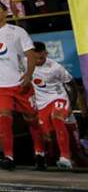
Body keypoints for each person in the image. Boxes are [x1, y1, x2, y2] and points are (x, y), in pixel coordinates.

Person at [0, 1, 45, 170]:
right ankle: (9, 156)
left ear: (5, 12)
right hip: (0, 85)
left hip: (20, 83)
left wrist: (28, 76)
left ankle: (40, 154)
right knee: (3, 119)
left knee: (32, 120)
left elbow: (30, 56)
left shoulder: (17, 32)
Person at [32, 41, 75, 170]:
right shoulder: (25, 64)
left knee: (57, 118)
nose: (39, 61)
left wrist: (71, 105)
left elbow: (72, 84)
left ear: (46, 53)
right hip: (42, 104)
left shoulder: (55, 67)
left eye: (41, 57)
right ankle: (43, 158)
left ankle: (65, 158)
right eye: (35, 58)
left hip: (58, 97)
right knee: (47, 135)